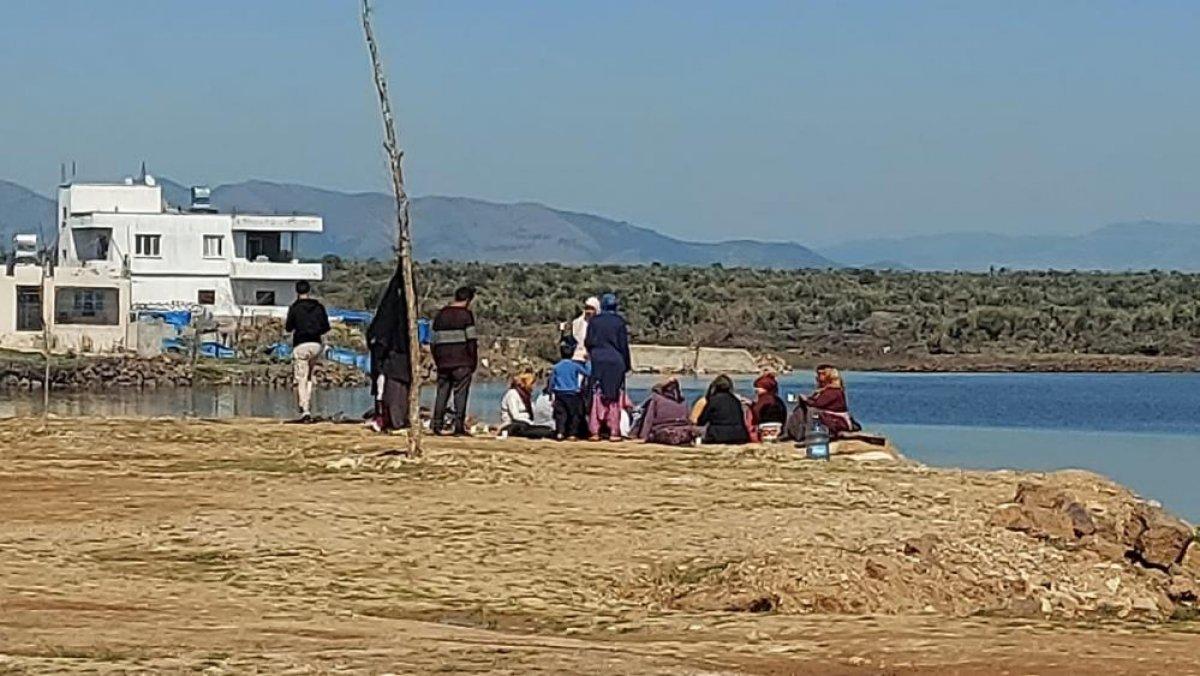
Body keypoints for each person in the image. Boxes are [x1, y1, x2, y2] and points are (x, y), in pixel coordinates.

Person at [365, 266, 412, 432]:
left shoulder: (388, 315)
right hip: (391, 360)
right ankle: (387, 419)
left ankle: (388, 418)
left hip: (390, 360)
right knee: (385, 390)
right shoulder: (392, 318)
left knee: (386, 390)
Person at [430, 286, 479, 436]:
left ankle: (437, 424)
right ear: (468, 300)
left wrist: (438, 359)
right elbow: (471, 341)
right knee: (460, 394)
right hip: (462, 362)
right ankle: (458, 426)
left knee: (442, 393)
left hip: (443, 362)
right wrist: (473, 361)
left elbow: (433, 342)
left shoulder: (440, 316)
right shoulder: (466, 316)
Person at [584, 293, 632, 441]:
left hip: (598, 359)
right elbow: (623, 345)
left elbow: (588, 341)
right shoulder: (619, 322)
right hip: (616, 361)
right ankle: (613, 432)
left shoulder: (594, 321)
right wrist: (627, 364)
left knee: (597, 393)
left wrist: (594, 353)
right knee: (614, 396)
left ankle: (595, 431)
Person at [284, 280, 330, 421]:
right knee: (310, 376)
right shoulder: (319, 307)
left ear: (297, 292)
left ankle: (305, 409)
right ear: (309, 291)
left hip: (301, 344)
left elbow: (288, 327)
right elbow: (326, 327)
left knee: (301, 378)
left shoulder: (294, 308)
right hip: (316, 344)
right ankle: (307, 403)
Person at [784, 365, 858, 441]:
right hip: (826, 417)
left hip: (836, 420)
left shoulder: (835, 391)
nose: (819, 376)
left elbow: (819, 404)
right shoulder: (823, 390)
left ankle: (813, 436)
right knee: (800, 409)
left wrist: (806, 400)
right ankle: (792, 433)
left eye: (822, 374)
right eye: (818, 374)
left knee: (813, 412)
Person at [631, 377, 695, 445]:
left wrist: (643, 436)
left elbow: (649, 419)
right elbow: (688, 419)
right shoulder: (683, 401)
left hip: (663, 429)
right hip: (682, 429)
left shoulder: (656, 398)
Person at [550, 345, 590, 440]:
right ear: (572, 354)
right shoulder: (574, 365)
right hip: (572, 393)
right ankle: (572, 434)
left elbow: (552, 381)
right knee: (574, 414)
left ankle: (560, 432)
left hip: (559, 393)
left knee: (561, 414)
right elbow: (588, 373)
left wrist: (550, 392)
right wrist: (588, 362)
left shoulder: (556, 366)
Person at [697, 375, 752, 444]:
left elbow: (702, 421)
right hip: (739, 435)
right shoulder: (735, 400)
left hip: (718, 436)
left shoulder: (713, 400)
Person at [499, 373, 555, 439]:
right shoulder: (512, 394)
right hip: (513, 425)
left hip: (526, 424)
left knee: (546, 428)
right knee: (533, 430)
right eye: (532, 384)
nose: (534, 386)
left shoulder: (526, 396)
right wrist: (530, 422)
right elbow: (515, 416)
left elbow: (533, 412)